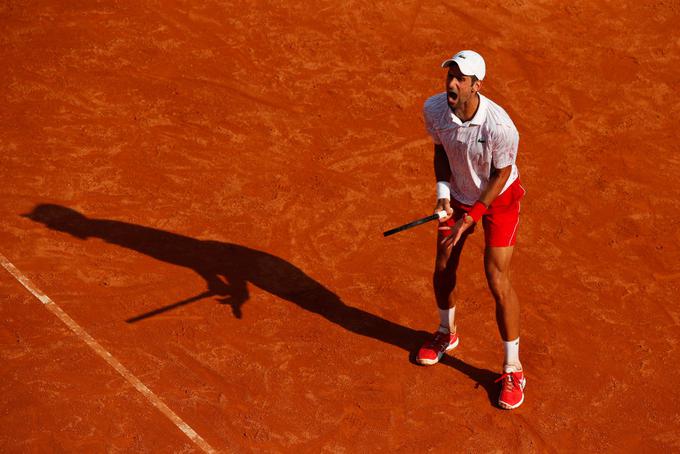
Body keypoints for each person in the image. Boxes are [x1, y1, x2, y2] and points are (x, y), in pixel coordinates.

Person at [417, 50, 527, 410]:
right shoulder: (435, 110)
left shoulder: (500, 126)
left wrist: (474, 214)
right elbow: (440, 153)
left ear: (476, 85)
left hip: (498, 198)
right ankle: (446, 334)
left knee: (497, 278)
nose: (451, 83)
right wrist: (443, 196)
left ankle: (513, 369)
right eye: (450, 75)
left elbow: (500, 175)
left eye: (459, 79)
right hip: (459, 195)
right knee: (443, 263)